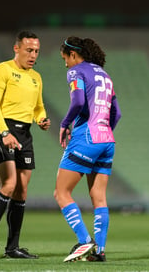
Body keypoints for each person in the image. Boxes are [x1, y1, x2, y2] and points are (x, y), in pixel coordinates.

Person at [0, 30, 50, 259]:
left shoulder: (36, 77)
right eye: (29, 50)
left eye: (37, 51)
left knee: (21, 190)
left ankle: (13, 247)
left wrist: (41, 119)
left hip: (25, 134)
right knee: (8, 185)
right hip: (3, 130)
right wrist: (4, 132)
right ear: (16, 48)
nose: (33, 55)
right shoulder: (2, 70)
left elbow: (38, 106)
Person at [53, 36, 122, 263]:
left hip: (86, 137)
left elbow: (78, 102)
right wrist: (104, 132)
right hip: (107, 140)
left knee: (61, 193)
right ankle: (99, 251)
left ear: (74, 54)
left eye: (65, 58)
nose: (65, 64)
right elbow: (117, 114)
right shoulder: (106, 75)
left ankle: (85, 242)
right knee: (99, 198)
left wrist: (64, 124)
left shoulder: (76, 71)